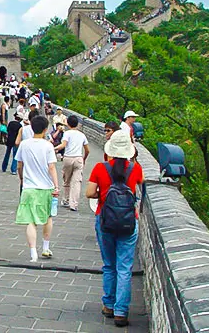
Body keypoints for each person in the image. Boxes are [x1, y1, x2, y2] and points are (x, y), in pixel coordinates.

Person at [85, 130, 143, 327]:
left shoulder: (100, 168)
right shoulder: (135, 169)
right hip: (128, 221)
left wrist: (103, 194)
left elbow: (89, 193)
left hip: (105, 219)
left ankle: (108, 305)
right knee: (124, 267)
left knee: (109, 264)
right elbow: (139, 187)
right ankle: (121, 312)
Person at [15, 115, 60, 262]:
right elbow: (51, 167)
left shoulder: (24, 144)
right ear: (46, 129)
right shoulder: (48, 146)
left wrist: (21, 178)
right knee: (48, 217)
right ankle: (46, 247)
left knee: (30, 221)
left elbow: (20, 165)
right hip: (46, 187)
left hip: (29, 187)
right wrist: (56, 186)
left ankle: (33, 252)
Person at [54, 115, 89, 211]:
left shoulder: (67, 133)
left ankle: (66, 199)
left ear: (68, 124)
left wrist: (54, 148)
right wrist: (84, 158)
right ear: (77, 124)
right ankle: (74, 204)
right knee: (76, 182)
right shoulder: (82, 135)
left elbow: (63, 145)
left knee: (67, 180)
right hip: (78, 158)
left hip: (68, 158)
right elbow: (87, 150)